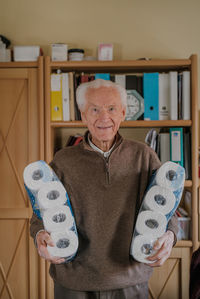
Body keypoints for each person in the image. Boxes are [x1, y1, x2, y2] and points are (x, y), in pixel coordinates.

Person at [30, 79, 178, 299]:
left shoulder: (144, 155)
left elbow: (167, 208)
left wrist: (170, 235)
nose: (104, 117)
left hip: (130, 279)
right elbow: (41, 214)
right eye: (95, 109)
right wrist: (40, 235)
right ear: (83, 115)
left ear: (123, 113)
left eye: (111, 109)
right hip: (74, 282)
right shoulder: (63, 160)